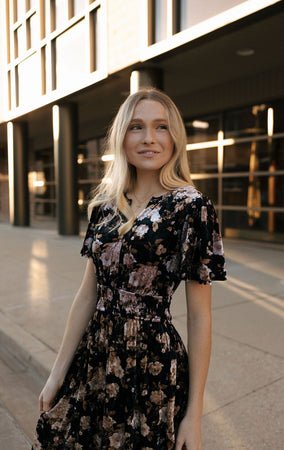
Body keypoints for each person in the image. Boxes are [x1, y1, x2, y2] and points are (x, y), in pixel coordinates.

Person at [32, 88, 226, 450]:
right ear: (122, 136)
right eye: (137, 127)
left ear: (175, 138)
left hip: (152, 368)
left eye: (161, 127)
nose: (149, 138)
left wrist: (193, 415)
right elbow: (88, 293)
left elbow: (200, 317)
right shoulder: (106, 206)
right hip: (94, 359)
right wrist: (56, 373)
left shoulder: (190, 207)